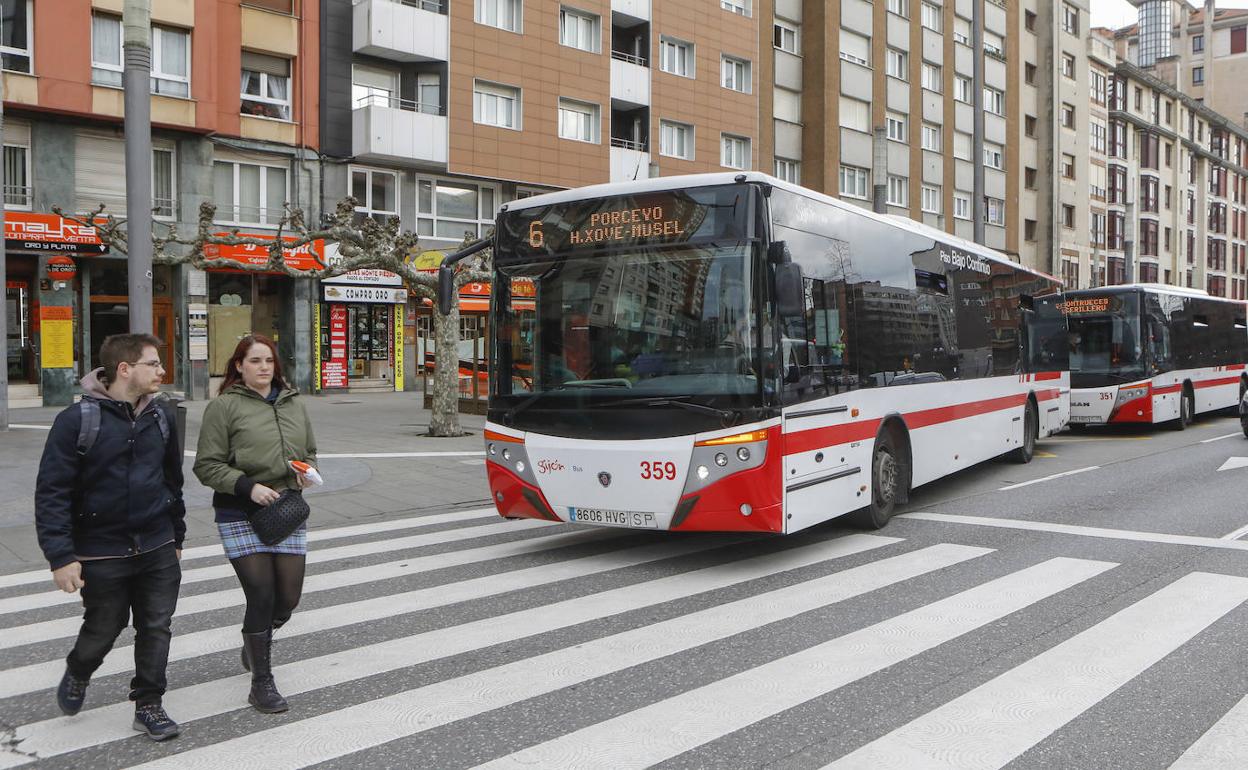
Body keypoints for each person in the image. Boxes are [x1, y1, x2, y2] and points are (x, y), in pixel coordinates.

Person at [34, 333, 185, 741]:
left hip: (156, 543)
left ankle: (149, 704)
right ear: (125, 369)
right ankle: (80, 669)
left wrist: (177, 535)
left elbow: (173, 480)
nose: (161, 371)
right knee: (105, 625)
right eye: (153, 364)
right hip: (102, 550)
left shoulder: (162, 416)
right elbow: (52, 491)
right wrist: (61, 556)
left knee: (156, 625)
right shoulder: (76, 421)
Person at [193, 334, 317, 714]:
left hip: (285, 508)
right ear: (238, 366)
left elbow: (308, 450)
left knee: (288, 599)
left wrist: (306, 471)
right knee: (261, 595)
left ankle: (254, 642)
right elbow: (206, 465)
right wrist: (248, 487)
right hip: (240, 512)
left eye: (269, 361)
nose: (264, 367)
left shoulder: (293, 403)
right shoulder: (224, 407)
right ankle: (261, 681)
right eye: (255, 361)